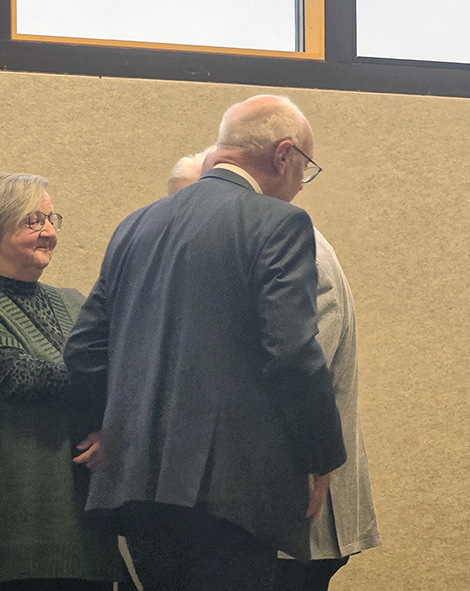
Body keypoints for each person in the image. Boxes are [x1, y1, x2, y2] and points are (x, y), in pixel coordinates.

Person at [63, 95, 347, 591]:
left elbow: (84, 349)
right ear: (283, 155)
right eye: (306, 166)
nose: (302, 183)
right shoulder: (278, 224)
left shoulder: (136, 224)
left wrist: (108, 430)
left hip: (136, 487)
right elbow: (292, 355)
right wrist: (320, 457)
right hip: (233, 493)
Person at [166, 143, 382, 590]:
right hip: (261, 507)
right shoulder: (253, 249)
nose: (184, 222)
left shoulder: (294, 249)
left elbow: (297, 371)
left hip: (292, 503)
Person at [0, 173, 121, 591]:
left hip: (88, 535)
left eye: (52, 219)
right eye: (33, 221)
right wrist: (118, 384)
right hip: (10, 540)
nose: (49, 232)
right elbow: (29, 378)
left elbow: (116, 378)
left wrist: (109, 428)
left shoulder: (73, 301)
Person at [273, 227, 382, 590]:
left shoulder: (296, 253)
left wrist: (318, 462)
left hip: (296, 513)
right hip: (286, 518)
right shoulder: (284, 247)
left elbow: (300, 375)